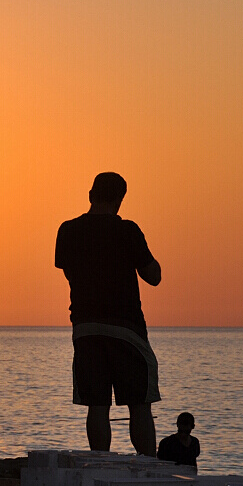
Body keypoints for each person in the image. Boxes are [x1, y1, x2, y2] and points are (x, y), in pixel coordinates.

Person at [56, 172, 163, 456]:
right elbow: (153, 277)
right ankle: (148, 466)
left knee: (97, 405)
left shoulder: (67, 230)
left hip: (85, 327)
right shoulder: (128, 230)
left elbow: (68, 272)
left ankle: (101, 463)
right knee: (139, 405)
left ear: (91, 195)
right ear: (120, 199)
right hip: (125, 327)